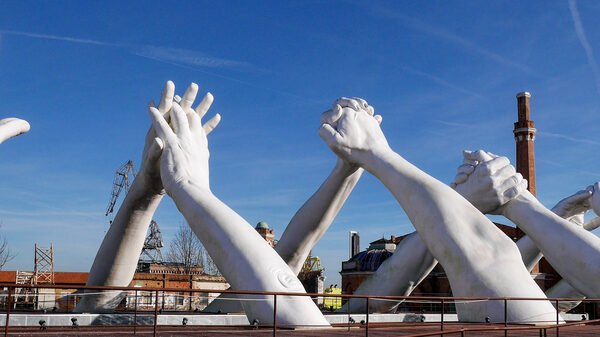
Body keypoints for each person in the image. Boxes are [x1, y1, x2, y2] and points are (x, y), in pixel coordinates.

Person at [318, 98, 557, 323]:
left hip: (511, 316)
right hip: (521, 316)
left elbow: (393, 276)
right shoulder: (500, 250)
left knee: (493, 254)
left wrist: (373, 154)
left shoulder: (499, 250)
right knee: (493, 254)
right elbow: (391, 277)